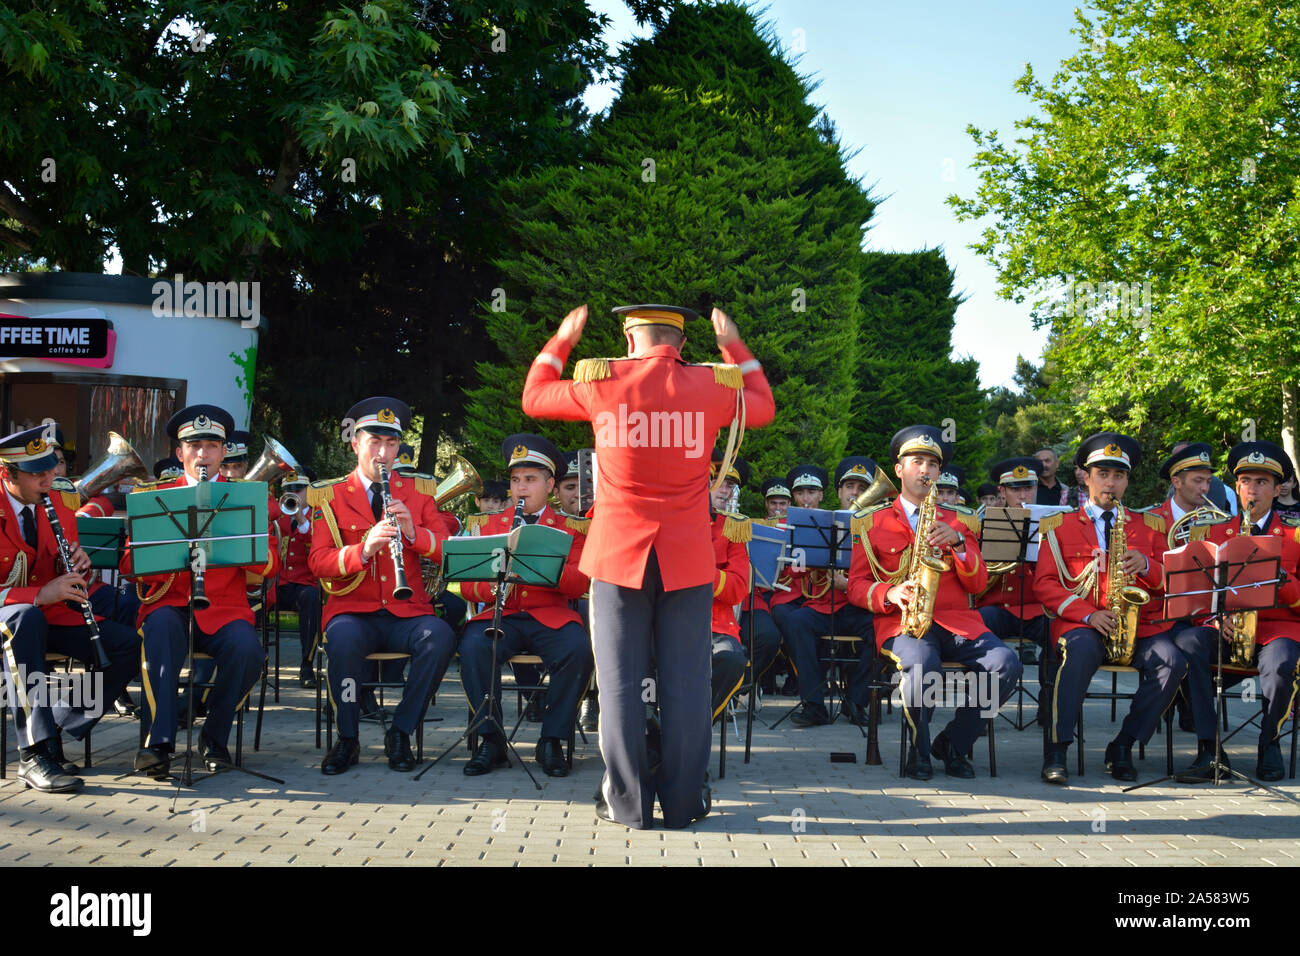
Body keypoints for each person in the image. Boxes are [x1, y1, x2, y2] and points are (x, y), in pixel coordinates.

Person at [521, 302, 774, 829]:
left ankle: (627, 805)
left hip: (618, 555)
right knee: (686, 685)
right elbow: (764, 406)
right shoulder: (712, 385)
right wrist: (734, 345)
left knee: (618, 684)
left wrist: (562, 339)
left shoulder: (602, 379)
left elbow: (534, 395)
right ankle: (683, 806)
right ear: (681, 344)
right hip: (686, 558)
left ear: (630, 340)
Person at [849, 426, 1021, 779]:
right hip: (903, 623)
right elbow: (856, 585)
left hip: (958, 622)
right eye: (917, 462)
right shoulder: (871, 522)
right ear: (899, 469)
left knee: (1006, 663)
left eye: (932, 464)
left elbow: (978, 582)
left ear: (939, 473)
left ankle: (954, 743)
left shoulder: (961, 521)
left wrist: (959, 546)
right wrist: (889, 593)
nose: (925, 470)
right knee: (923, 664)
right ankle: (920, 747)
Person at [309, 397, 458, 775]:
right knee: (341, 641)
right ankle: (347, 736)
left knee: (439, 637)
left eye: (391, 444)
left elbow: (448, 552)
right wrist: (363, 549)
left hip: (407, 612)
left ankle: (401, 731)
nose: (383, 452)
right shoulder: (329, 496)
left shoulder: (420, 492)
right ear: (356, 444)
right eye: (374, 442)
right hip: (352, 610)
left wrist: (414, 533)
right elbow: (319, 561)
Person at [126, 405, 276, 778]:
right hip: (170, 602)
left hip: (224, 607)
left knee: (249, 653)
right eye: (194, 446)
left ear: (224, 452)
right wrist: (170, 551)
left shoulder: (243, 498)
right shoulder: (157, 497)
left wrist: (235, 544)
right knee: (159, 633)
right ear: (180, 453)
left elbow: (268, 565)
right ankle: (157, 744)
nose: (203, 454)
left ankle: (214, 737)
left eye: (212, 445)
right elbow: (128, 566)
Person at [1034, 432, 1185, 784]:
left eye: (1118, 476)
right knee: (1078, 655)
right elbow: (1044, 584)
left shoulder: (1151, 526)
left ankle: (1124, 744)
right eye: (1102, 474)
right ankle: (1057, 749)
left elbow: (1173, 581)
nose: (1110, 483)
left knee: (1173, 662)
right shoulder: (1059, 526)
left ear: (1127, 480)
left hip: (1139, 626)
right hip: (1083, 623)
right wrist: (1087, 614)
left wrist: (1148, 565)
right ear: (1085, 477)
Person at [0, 426, 139, 792]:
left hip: (48, 613)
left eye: (50, 469)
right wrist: (38, 595)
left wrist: (78, 565)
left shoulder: (55, 500)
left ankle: (59, 719)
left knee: (125, 645)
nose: (50, 479)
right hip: (12, 615)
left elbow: (66, 563)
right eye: (37, 474)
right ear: (7, 474)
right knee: (24, 619)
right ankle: (33, 753)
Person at [459, 433, 593, 778]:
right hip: (502, 614)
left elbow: (582, 582)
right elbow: (468, 584)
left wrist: (545, 564)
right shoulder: (487, 526)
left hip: (550, 617)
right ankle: (491, 741)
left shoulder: (571, 528)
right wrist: (490, 584)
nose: (520, 488)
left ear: (550, 485)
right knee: (474, 646)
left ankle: (552, 739)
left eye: (530, 480)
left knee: (578, 649)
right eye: (516, 480)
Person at [1175, 441, 1300, 782]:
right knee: (1185, 644)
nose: (1252, 490)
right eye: (1245, 481)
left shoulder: (1295, 535)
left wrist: (1283, 580)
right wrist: (1215, 618)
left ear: (1278, 488)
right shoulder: (1213, 533)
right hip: (1227, 630)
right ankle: (1209, 748)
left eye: (1262, 482)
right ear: (1237, 486)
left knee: (1281, 662)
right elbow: (1197, 594)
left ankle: (1269, 741)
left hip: (1277, 631)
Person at [773, 461, 876, 727]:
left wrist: (849, 583)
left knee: (881, 629)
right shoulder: (819, 523)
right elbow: (794, 572)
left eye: (862, 488)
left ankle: (856, 701)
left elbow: (885, 574)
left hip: (858, 606)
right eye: (850, 486)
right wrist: (806, 560)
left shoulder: (878, 526)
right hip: (823, 604)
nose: (855, 493)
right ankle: (814, 703)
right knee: (796, 622)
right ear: (839, 491)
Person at [977, 457, 1050, 674]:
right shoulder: (984, 525)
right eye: (1015, 490)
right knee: (973, 630)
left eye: (1028, 488)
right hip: (997, 608)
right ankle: (980, 702)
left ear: (1036, 488)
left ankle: (1049, 706)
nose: (1023, 496)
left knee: (1062, 637)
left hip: (1038, 609)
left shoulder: (1053, 526)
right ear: (1002, 491)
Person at [275, 470, 322, 688]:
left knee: (311, 599)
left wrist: (301, 519)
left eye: (298, 490)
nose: (293, 493)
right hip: (280, 585)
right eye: (288, 490)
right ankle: (254, 660)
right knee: (252, 602)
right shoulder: (277, 519)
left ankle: (306, 663)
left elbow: (319, 544)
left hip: (306, 585)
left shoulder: (319, 516)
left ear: (308, 491)